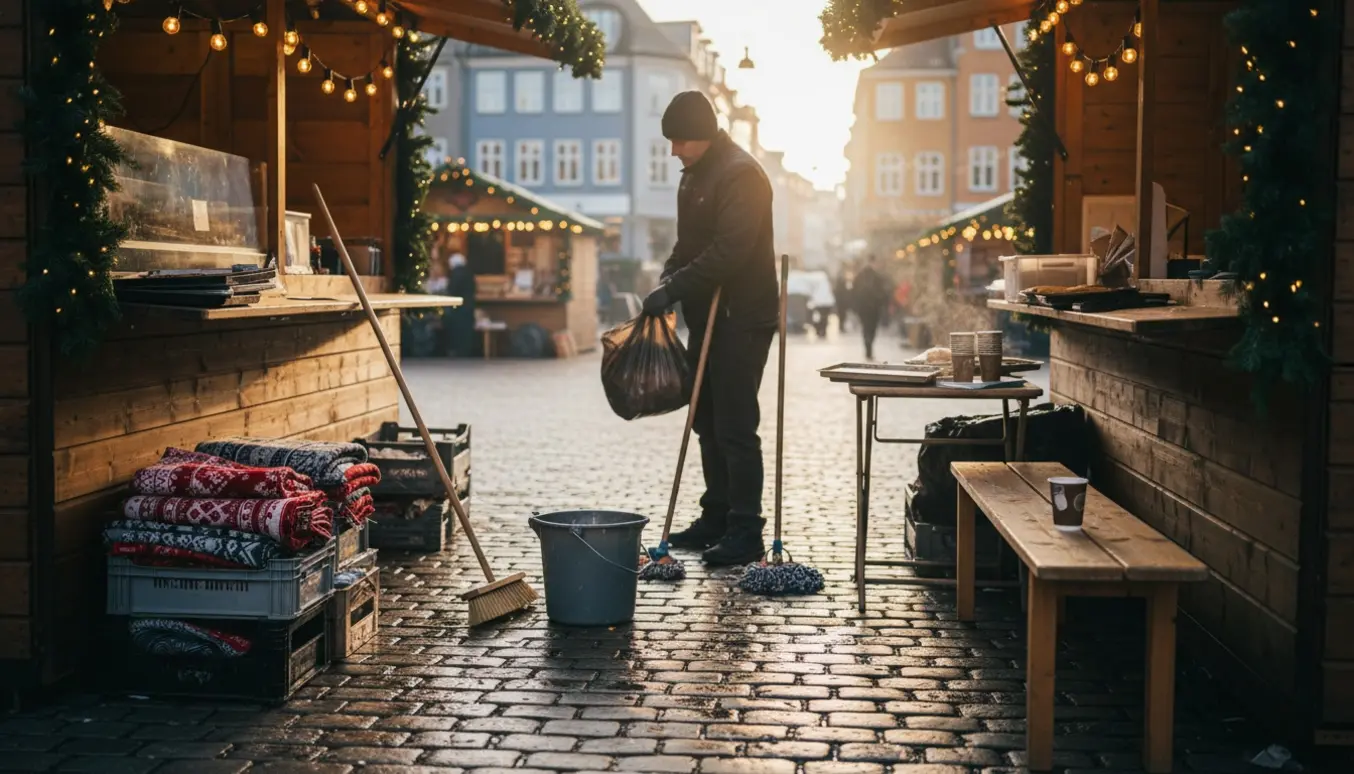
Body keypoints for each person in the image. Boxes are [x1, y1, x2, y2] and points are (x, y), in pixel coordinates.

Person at [641, 90, 778, 567]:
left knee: (736, 425)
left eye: (680, 140)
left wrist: (675, 288)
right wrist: (667, 280)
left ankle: (746, 529)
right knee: (706, 420)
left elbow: (729, 251)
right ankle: (715, 516)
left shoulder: (742, 175)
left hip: (742, 317)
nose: (673, 150)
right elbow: (688, 245)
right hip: (708, 316)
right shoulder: (694, 176)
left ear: (701, 133)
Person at [852, 255, 890, 360]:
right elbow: (883, 292)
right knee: (871, 328)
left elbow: (853, 292)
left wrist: (855, 306)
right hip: (873, 307)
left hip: (864, 307)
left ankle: (868, 346)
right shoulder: (877, 277)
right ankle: (869, 346)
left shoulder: (860, 276)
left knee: (866, 327)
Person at [445, 252, 477, 358]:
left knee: (457, 330)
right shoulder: (469, 273)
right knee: (467, 330)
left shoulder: (455, 274)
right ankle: (466, 351)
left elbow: (452, 290)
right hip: (469, 305)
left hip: (458, 306)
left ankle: (457, 351)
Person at [833, 269, 852, 333]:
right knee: (842, 315)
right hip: (842, 302)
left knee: (842, 315)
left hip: (842, 302)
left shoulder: (841, 284)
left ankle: (841, 326)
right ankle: (841, 326)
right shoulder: (842, 284)